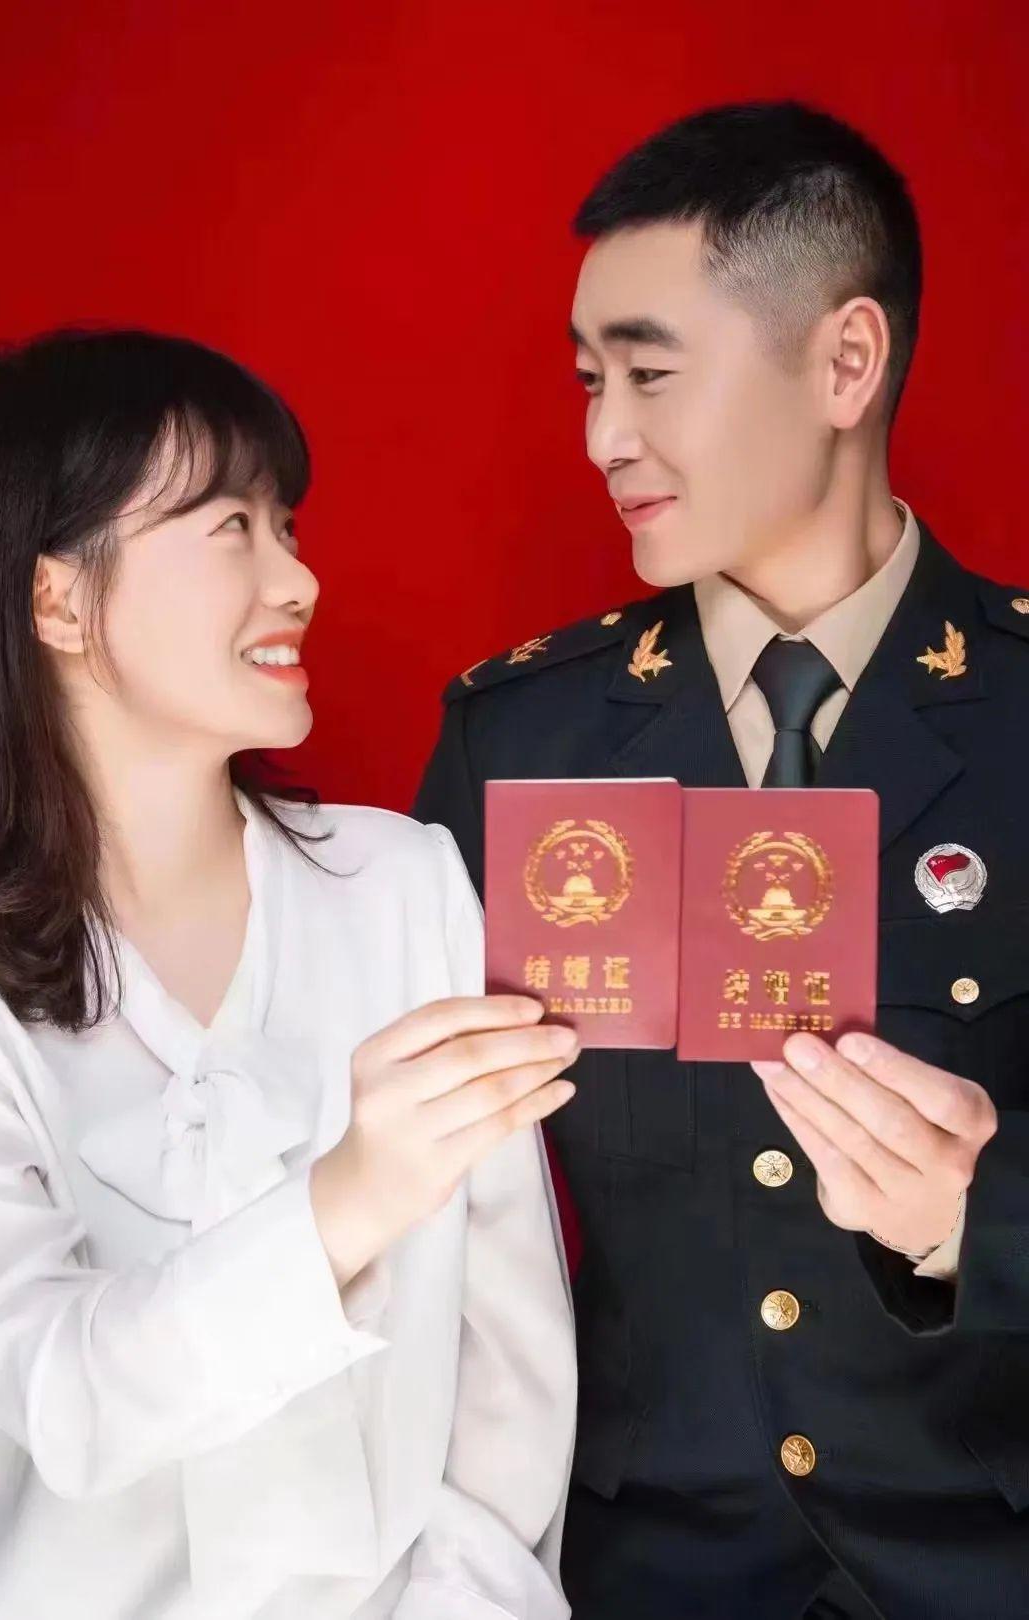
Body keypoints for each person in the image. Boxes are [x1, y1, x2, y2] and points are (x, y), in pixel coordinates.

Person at [416, 101, 1029, 1620]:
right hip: (646, 1577)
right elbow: (431, 1219)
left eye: (650, 373)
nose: (603, 437)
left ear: (845, 361)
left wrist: (975, 1220)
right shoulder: (524, 739)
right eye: (589, 381)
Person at [0, 329, 577, 1620]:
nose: (299, 579)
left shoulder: (407, 887)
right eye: (231, 528)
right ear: (57, 601)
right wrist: (349, 1198)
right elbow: (64, 1391)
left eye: (286, 525)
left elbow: (512, 1373)